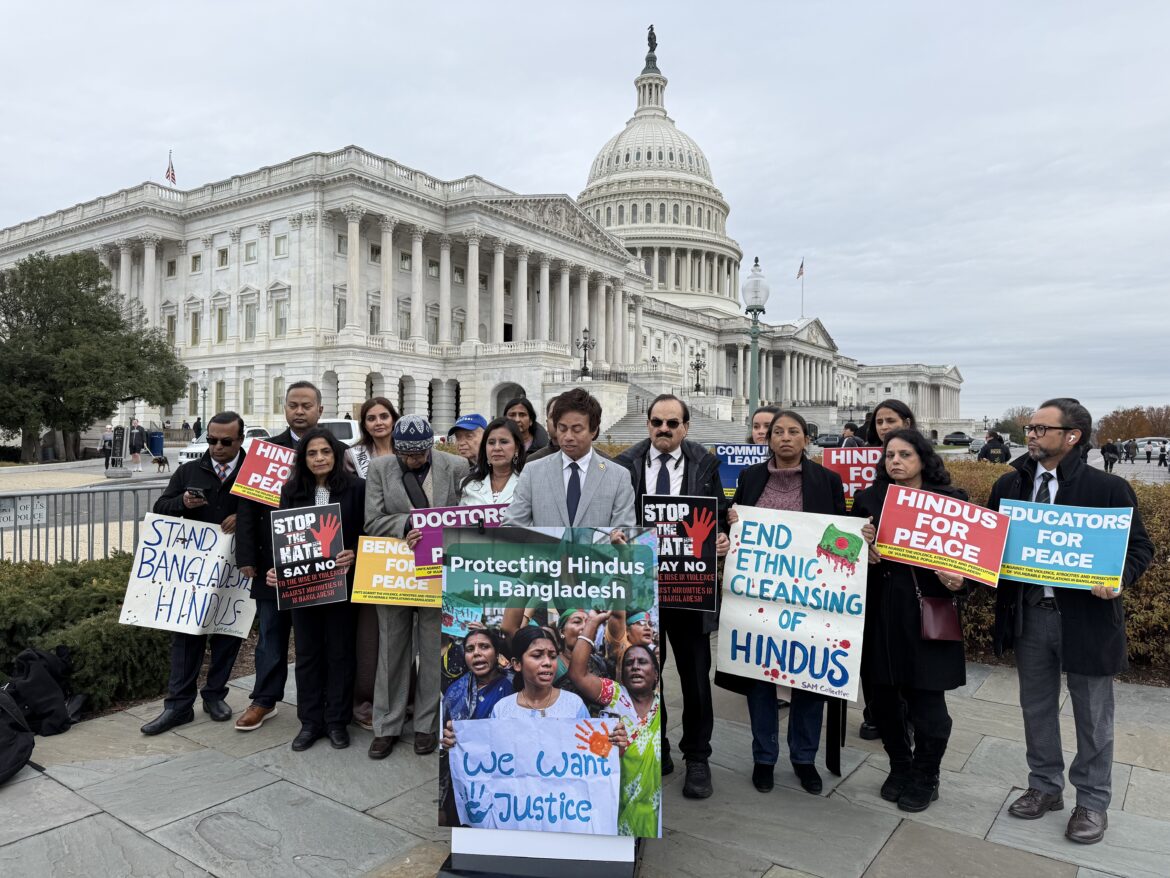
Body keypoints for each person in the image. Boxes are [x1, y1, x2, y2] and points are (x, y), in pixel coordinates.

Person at [991, 398, 1153, 845]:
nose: (1031, 435)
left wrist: (1118, 578)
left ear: (1072, 436)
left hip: (1086, 618)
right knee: (1036, 708)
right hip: (1029, 616)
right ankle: (1044, 786)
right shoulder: (1010, 484)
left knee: (1093, 715)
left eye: (1041, 428)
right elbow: (990, 547)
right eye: (1029, 428)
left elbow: (1140, 548)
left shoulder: (1108, 489)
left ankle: (1093, 802)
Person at [717, 410, 866, 795]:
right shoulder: (751, 479)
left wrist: (860, 535)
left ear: (806, 439)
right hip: (758, 600)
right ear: (768, 439)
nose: (784, 438)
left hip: (810, 599)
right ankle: (763, 757)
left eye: (793, 432)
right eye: (777, 431)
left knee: (809, 680)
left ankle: (804, 758)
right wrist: (730, 521)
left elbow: (839, 533)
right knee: (760, 680)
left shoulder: (827, 481)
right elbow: (731, 529)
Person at [616, 393, 730, 799]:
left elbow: (717, 515)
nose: (664, 429)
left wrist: (721, 538)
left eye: (672, 423)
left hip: (690, 590)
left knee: (696, 678)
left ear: (686, 427)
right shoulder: (625, 465)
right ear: (648, 425)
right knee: (643, 673)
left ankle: (697, 757)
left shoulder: (705, 463)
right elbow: (616, 518)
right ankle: (656, 746)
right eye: (657, 422)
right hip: (643, 590)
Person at [852, 429, 968, 812]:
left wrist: (959, 581)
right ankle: (900, 765)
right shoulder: (869, 498)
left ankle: (926, 773)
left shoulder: (951, 502)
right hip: (879, 612)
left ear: (923, 458)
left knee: (927, 705)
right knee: (882, 700)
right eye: (890, 455)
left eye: (905, 454)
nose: (896, 461)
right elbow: (843, 551)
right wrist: (861, 547)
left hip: (926, 611)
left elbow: (970, 564)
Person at [139, 412, 248, 735]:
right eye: (211, 440)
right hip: (193, 572)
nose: (217, 447)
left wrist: (243, 515)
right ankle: (177, 705)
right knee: (186, 637)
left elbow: (273, 507)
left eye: (225, 442)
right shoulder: (189, 471)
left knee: (228, 635)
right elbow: (161, 508)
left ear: (240, 440)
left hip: (236, 570)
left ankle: (215, 696)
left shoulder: (253, 474)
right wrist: (184, 503)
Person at [365, 414, 464, 758]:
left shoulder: (456, 466)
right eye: (406, 456)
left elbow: (468, 514)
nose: (414, 461)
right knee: (391, 649)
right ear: (395, 450)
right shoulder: (379, 470)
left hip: (439, 571)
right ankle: (387, 724)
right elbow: (372, 521)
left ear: (430, 447)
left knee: (434, 647)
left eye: (420, 454)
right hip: (395, 570)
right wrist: (407, 523)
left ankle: (426, 724)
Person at [267, 427, 365, 751]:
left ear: (336, 455)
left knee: (340, 653)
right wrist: (277, 570)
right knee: (307, 655)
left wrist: (354, 551)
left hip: (342, 584)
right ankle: (310, 722)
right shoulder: (291, 491)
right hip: (303, 588)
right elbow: (284, 538)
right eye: (312, 453)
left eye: (325, 452)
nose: (319, 458)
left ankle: (337, 721)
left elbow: (367, 533)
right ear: (303, 459)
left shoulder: (356, 489)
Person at [234, 381, 323, 732]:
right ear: (284, 408)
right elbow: (246, 508)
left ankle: (316, 704)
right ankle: (263, 700)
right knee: (270, 635)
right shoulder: (265, 451)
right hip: (271, 565)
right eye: (292, 405)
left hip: (317, 562)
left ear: (320, 409)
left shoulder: (331, 451)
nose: (299, 411)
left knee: (314, 640)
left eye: (306, 405)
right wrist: (246, 556)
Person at [570, 610, 662, 837]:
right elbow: (578, 674)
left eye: (643, 662)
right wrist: (592, 623)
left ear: (656, 675)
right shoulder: (614, 695)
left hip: (653, 810)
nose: (635, 667)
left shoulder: (662, 706)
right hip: (615, 808)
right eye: (629, 663)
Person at [504, 388, 635, 528]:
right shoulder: (533, 471)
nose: (568, 437)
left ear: (594, 430)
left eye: (577, 430)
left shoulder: (618, 476)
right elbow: (512, 526)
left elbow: (625, 532)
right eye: (562, 428)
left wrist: (618, 542)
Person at [459, 417, 526, 505]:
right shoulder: (468, 485)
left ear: (516, 447)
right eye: (491, 442)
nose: (497, 448)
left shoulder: (528, 483)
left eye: (504, 442)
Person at [347, 396, 399, 479]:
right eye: (371, 419)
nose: (378, 423)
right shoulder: (351, 456)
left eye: (384, 417)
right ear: (365, 425)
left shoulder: (406, 451)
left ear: (393, 420)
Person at [526, 396, 562, 462]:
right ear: (547, 422)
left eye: (562, 415)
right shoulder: (533, 461)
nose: (558, 421)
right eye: (553, 416)